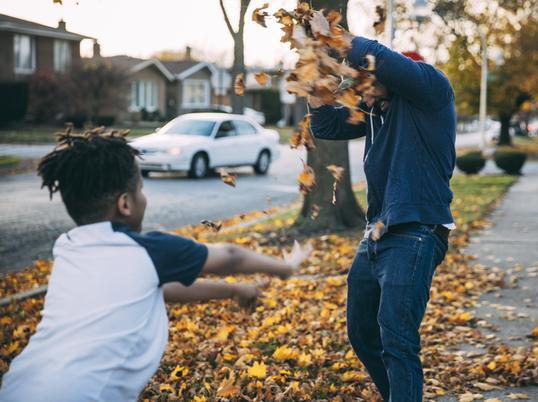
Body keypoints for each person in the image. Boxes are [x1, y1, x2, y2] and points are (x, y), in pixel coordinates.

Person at [0, 130, 310, 401]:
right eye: (141, 189)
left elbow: (162, 289)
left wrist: (233, 290)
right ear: (125, 203)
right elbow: (231, 255)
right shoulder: (146, 250)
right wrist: (285, 268)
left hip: (19, 385)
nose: (143, 197)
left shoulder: (70, 249)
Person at [307, 12, 457, 402]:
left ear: (394, 78)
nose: (362, 93)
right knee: (362, 333)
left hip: (416, 231)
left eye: (367, 84)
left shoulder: (431, 90)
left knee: (398, 340)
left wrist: (333, 37)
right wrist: (316, 75)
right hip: (376, 233)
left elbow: (374, 54)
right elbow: (325, 127)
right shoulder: (375, 112)